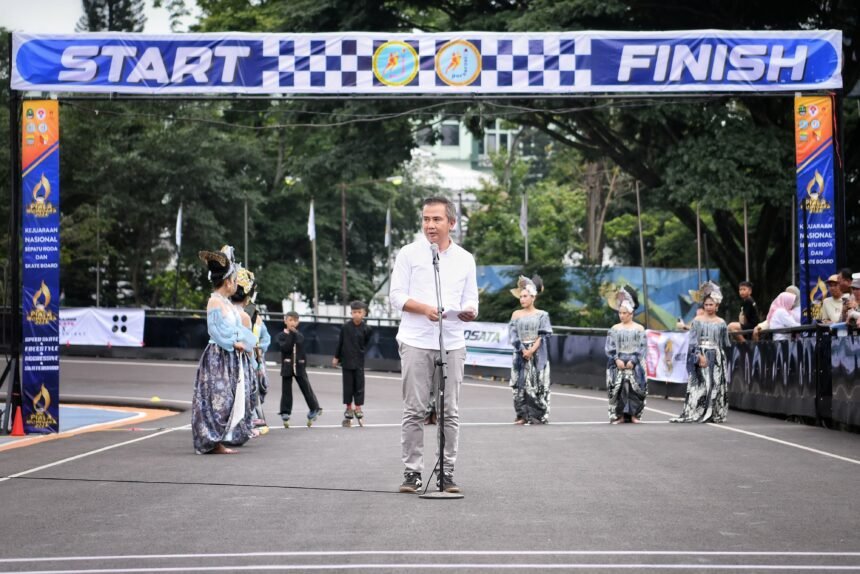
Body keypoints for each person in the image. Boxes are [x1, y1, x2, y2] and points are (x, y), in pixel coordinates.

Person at [390, 196, 478, 494]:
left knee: (449, 410)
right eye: (426, 219)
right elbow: (396, 297)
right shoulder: (409, 253)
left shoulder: (465, 259)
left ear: (451, 223)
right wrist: (424, 309)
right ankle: (412, 472)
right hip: (415, 340)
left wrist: (469, 312)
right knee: (414, 409)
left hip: (451, 342)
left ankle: (446, 471)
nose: (430, 225)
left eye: (437, 219)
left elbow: (472, 301)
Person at [191, 246, 257, 454]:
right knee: (219, 398)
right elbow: (215, 331)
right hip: (219, 357)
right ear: (228, 281)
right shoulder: (214, 301)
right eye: (235, 280)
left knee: (233, 397)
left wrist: (247, 342)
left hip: (231, 356)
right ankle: (212, 440)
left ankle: (223, 437)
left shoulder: (226, 303)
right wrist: (234, 343)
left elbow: (236, 328)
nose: (236, 284)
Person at [671, 282, 730, 424]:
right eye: (706, 304)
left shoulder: (721, 322)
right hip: (701, 353)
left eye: (712, 304)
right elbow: (692, 341)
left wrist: (719, 357)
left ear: (717, 306)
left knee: (715, 384)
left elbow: (724, 343)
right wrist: (698, 355)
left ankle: (714, 412)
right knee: (700, 385)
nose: (709, 307)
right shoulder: (697, 321)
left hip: (716, 356)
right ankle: (697, 410)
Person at [508, 275, 552, 425]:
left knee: (537, 384)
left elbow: (543, 335)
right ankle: (521, 415)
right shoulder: (516, 314)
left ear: (533, 297)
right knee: (519, 384)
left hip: (537, 353)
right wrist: (522, 350)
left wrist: (532, 350)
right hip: (520, 353)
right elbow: (513, 335)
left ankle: (537, 415)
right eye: (520, 296)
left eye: (525, 296)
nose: (522, 299)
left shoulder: (542, 315)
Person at [605, 286, 647, 424]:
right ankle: (620, 415)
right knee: (619, 389)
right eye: (620, 313)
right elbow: (610, 347)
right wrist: (616, 359)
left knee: (635, 389)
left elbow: (642, 347)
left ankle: (634, 414)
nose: (621, 315)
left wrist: (634, 360)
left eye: (624, 313)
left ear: (631, 313)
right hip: (619, 361)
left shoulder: (639, 329)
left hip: (633, 361)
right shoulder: (614, 329)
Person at [277, 311, 322, 428]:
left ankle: (314, 408)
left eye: (295, 321)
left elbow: (300, 343)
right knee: (286, 390)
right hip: (287, 366)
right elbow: (285, 348)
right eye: (290, 320)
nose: (292, 322)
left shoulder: (299, 335)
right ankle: (285, 411)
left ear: (298, 322)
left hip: (299, 366)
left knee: (306, 387)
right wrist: (291, 334)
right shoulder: (281, 336)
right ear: (285, 320)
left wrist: (293, 333)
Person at [333, 300, 373, 427]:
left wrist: (360, 352)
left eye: (359, 312)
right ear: (351, 313)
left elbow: (366, 343)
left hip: (359, 362)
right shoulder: (345, 327)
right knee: (348, 386)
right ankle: (349, 407)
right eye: (354, 312)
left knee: (359, 386)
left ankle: (358, 407)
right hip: (346, 361)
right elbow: (340, 343)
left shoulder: (367, 329)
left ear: (364, 313)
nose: (356, 314)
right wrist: (336, 357)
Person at [243, 272, 271, 432]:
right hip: (246, 357)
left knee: (261, 387)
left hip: (258, 358)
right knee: (249, 387)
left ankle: (257, 416)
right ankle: (254, 417)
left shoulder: (259, 321)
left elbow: (266, 338)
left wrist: (260, 347)